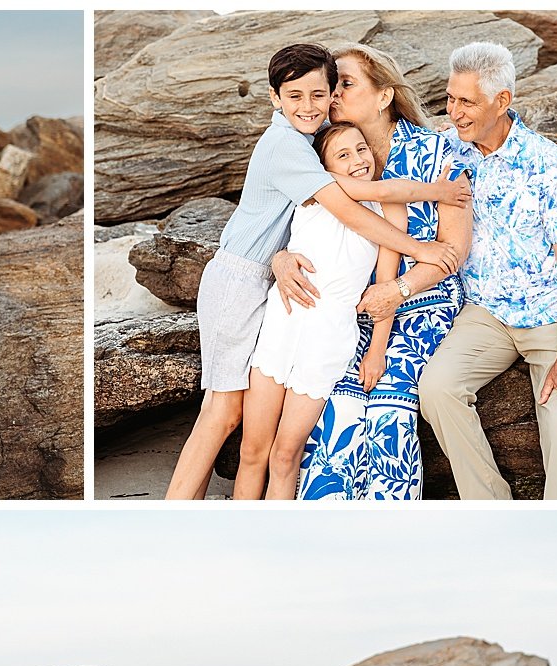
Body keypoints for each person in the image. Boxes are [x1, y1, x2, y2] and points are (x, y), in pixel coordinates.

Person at [165, 43, 462, 499]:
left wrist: (434, 190)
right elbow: (349, 206)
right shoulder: (292, 143)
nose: (320, 103)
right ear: (275, 98)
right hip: (244, 282)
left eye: (328, 91)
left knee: (245, 425)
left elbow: (379, 190)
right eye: (302, 95)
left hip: (301, 303)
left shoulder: (317, 136)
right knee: (223, 414)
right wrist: (420, 247)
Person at [272, 44, 473, 501]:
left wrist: (398, 289)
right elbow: (290, 225)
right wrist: (280, 259)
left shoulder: (440, 153)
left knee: (388, 408)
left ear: (384, 96)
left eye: (345, 84)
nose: (332, 95)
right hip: (353, 308)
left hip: (421, 302)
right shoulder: (321, 154)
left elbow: (450, 253)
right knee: (334, 404)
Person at [416, 42, 557, 500]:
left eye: (467, 102)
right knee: (436, 388)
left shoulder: (547, 164)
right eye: (451, 99)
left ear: (502, 102)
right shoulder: (448, 152)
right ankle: (491, 508)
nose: (455, 112)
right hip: (485, 315)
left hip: (547, 316)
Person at [238, 125, 409, 499]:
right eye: (343, 155)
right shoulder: (314, 194)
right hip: (283, 323)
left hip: (328, 339)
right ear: (324, 165)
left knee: (286, 455)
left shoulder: (388, 207)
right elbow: (276, 243)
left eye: (361, 149)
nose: (359, 160)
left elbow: (385, 286)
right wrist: (280, 259)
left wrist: (377, 350)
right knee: (252, 450)